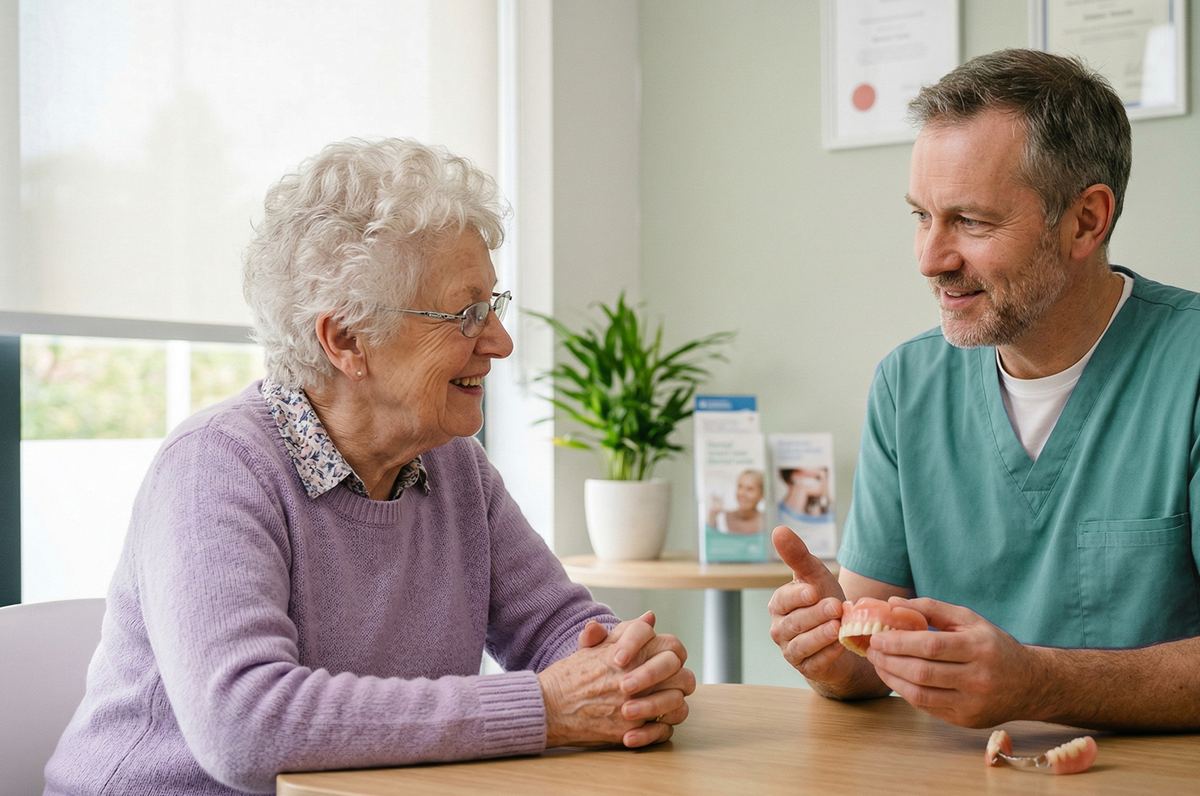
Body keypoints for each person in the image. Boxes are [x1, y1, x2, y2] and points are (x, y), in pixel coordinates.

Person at [44, 138, 695, 795]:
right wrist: (543, 708)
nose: (500, 342)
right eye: (466, 314)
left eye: (492, 307)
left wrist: (630, 667)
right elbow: (245, 727)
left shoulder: (454, 468)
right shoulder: (215, 467)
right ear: (347, 339)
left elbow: (560, 630)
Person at [768, 49, 1200, 732]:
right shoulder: (908, 385)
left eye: (970, 221)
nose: (930, 259)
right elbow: (870, 664)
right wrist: (834, 649)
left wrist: (1040, 684)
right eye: (921, 216)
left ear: (1086, 221)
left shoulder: (1188, 367)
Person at [708, 468, 765, 534]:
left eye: (750, 489)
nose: (742, 493)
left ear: (761, 494)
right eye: (740, 487)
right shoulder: (721, 519)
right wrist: (712, 522)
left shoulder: (769, 522)